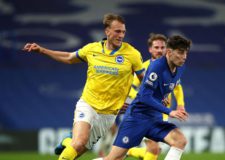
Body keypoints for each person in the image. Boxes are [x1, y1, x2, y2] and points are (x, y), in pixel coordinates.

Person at [22, 13, 144, 160]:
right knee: (79, 141)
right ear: (107, 31)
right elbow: (68, 57)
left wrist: (139, 101)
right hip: (88, 104)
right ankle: (71, 141)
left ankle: (67, 141)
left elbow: (144, 82)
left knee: (77, 150)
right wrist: (42, 50)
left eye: (123, 32)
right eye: (117, 31)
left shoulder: (133, 54)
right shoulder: (91, 49)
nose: (121, 35)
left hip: (109, 114)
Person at [97, 33, 186, 160]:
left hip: (160, 114)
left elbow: (177, 86)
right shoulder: (145, 67)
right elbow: (132, 89)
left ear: (167, 49)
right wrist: (156, 98)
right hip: (143, 113)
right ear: (150, 49)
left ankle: (129, 151)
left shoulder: (175, 66)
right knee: (153, 149)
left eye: (162, 47)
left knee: (169, 144)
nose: (160, 50)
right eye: (156, 47)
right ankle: (128, 151)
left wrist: (181, 105)